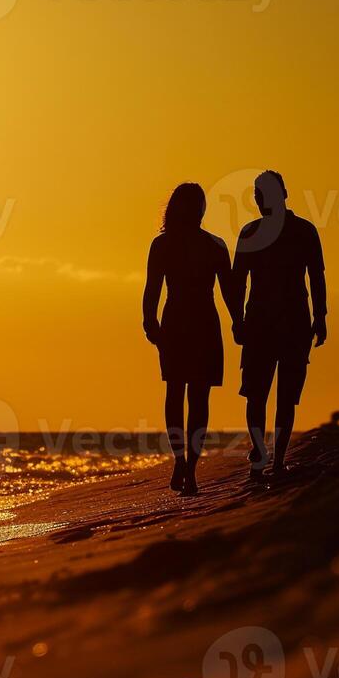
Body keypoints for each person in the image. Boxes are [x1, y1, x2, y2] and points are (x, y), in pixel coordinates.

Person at [230, 171, 327, 479]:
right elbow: (237, 283)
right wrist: (237, 320)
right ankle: (261, 454)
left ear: (284, 194)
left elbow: (316, 275)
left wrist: (321, 316)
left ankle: (277, 460)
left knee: (285, 395)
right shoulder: (250, 232)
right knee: (256, 394)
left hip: (294, 323)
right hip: (260, 324)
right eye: (258, 196)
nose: (262, 202)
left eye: (267, 195)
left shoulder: (304, 232)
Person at [142, 183, 236, 496]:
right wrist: (149, 321)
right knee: (187, 394)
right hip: (190, 322)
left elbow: (229, 292)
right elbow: (152, 287)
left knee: (186, 394)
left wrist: (239, 321)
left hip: (190, 322)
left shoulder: (206, 245)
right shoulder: (180, 245)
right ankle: (185, 464)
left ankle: (187, 465)